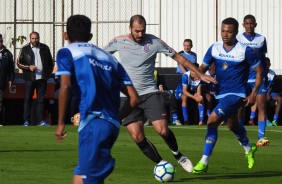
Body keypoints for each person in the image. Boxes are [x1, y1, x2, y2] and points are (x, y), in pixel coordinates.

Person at [104, 14, 216, 173]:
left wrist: (200, 73)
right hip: (127, 97)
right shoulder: (118, 41)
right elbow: (100, 55)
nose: (140, 34)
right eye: (137, 31)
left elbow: (180, 58)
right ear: (130, 28)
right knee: (137, 137)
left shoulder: (154, 42)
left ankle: (178, 155)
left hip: (150, 93)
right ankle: (162, 164)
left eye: (143, 30)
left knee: (162, 130)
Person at [54, 15, 139, 184]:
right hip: (110, 125)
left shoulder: (67, 52)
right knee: (80, 178)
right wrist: (116, 118)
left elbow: (65, 86)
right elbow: (134, 98)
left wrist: (61, 122)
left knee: (89, 179)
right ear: (91, 36)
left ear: (65, 35)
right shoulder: (110, 58)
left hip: (94, 123)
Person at [192, 17, 263, 174]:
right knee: (232, 125)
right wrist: (196, 74)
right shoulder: (214, 47)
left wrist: (253, 93)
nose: (225, 34)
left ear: (236, 32)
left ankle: (204, 161)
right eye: (223, 31)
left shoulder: (245, 50)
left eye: (229, 31)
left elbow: (259, 72)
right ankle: (248, 148)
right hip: (220, 93)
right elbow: (203, 67)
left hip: (237, 93)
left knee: (212, 121)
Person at [236, 14, 269, 146]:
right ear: (243, 25)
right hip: (242, 77)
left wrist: (264, 75)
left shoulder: (261, 39)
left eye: (252, 23)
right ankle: (240, 135)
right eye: (247, 23)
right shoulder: (238, 38)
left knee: (262, 105)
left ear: (255, 24)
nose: (249, 26)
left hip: (258, 77)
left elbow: (264, 59)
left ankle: (261, 136)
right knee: (240, 107)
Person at [17, 31, 54, 126]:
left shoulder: (45, 47)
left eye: (36, 38)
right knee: (27, 99)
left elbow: (50, 62)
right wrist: (28, 67)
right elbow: (18, 63)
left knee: (41, 100)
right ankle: (26, 121)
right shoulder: (24, 49)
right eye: (33, 38)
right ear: (30, 39)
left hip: (42, 78)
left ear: (39, 38)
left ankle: (41, 121)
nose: (34, 40)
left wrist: (47, 73)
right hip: (29, 78)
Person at [249, 57, 281, 126]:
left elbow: (271, 85)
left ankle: (275, 120)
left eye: (268, 64)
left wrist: (268, 93)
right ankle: (262, 120)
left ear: (270, 64)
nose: (267, 65)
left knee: (279, 98)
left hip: (269, 92)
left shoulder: (272, 73)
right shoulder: (259, 72)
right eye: (265, 64)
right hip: (260, 91)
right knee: (259, 99)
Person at [0, 34, 15, 125]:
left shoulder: (7, 53)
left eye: (0, 41)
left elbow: (11, 69)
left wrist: (10, 80)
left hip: (1, 82)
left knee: (0, 103)